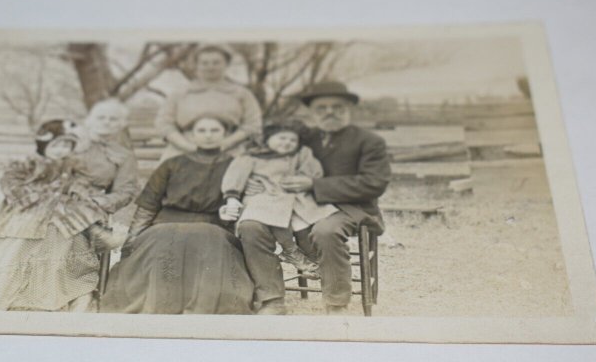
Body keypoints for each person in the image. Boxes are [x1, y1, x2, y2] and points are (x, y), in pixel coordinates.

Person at [238, 81, 391, 315]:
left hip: (350, 208)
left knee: (325, 230)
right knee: (250, 226)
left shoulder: (369, 141)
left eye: (337, 107)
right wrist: (255, 181)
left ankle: (336, 304)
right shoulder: (304, 137)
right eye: (321, 108)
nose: (330, 112)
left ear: (349, 109)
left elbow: (374, 183)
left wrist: (315, 184)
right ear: (311, 111)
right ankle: (272, 298)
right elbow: (271, 157)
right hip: (296, 203)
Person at [0, 118, 131, 312]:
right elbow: (12, 186)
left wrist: (77, 192)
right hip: (30, 213)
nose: (61, 150)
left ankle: (91, 236)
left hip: (62, 216)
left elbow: (83, 186)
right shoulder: (27, 164)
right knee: (21, 250)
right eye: (56, 145)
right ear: (44, 145)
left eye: (66, 146)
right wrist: (41, 196)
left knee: (72, 223)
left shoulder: (72, 167)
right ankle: (13, 296)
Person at [99, 114, 255, 315]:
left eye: (215, 130)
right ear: (191, 135)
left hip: (214, 224)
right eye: (202, 130)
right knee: (159, 241)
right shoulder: (172, 164)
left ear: (225, 134)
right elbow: (149, 204)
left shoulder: (236, 166)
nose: (208, 135)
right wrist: (132, 239)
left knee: (210, 242)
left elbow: (245, 199)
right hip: (165, 222)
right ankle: (159, 304)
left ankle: (205, 306)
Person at [220, 120, 338, 276]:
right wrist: (233, 196)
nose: (287, 143)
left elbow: (313, 171)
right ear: (268, 139)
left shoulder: (300, 154)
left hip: (293, 196)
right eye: (282, 138)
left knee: (305, 223)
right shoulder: (252, 156)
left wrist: (302, 180)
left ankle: (314, 258)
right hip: (262, 197)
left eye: (292, 140)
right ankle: (290, 250)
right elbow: (235, 176)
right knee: (275, 215)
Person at [154, 44, 263, 161]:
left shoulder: (242, 93)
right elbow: (164, 124)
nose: (210, 67)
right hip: (184, 149)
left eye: (216, 62)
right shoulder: (180, 93)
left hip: (230, 149)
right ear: (196, 65)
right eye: (204, 63)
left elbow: (252, 124)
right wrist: (188, 146)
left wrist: (226, 143)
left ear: (226, 64)